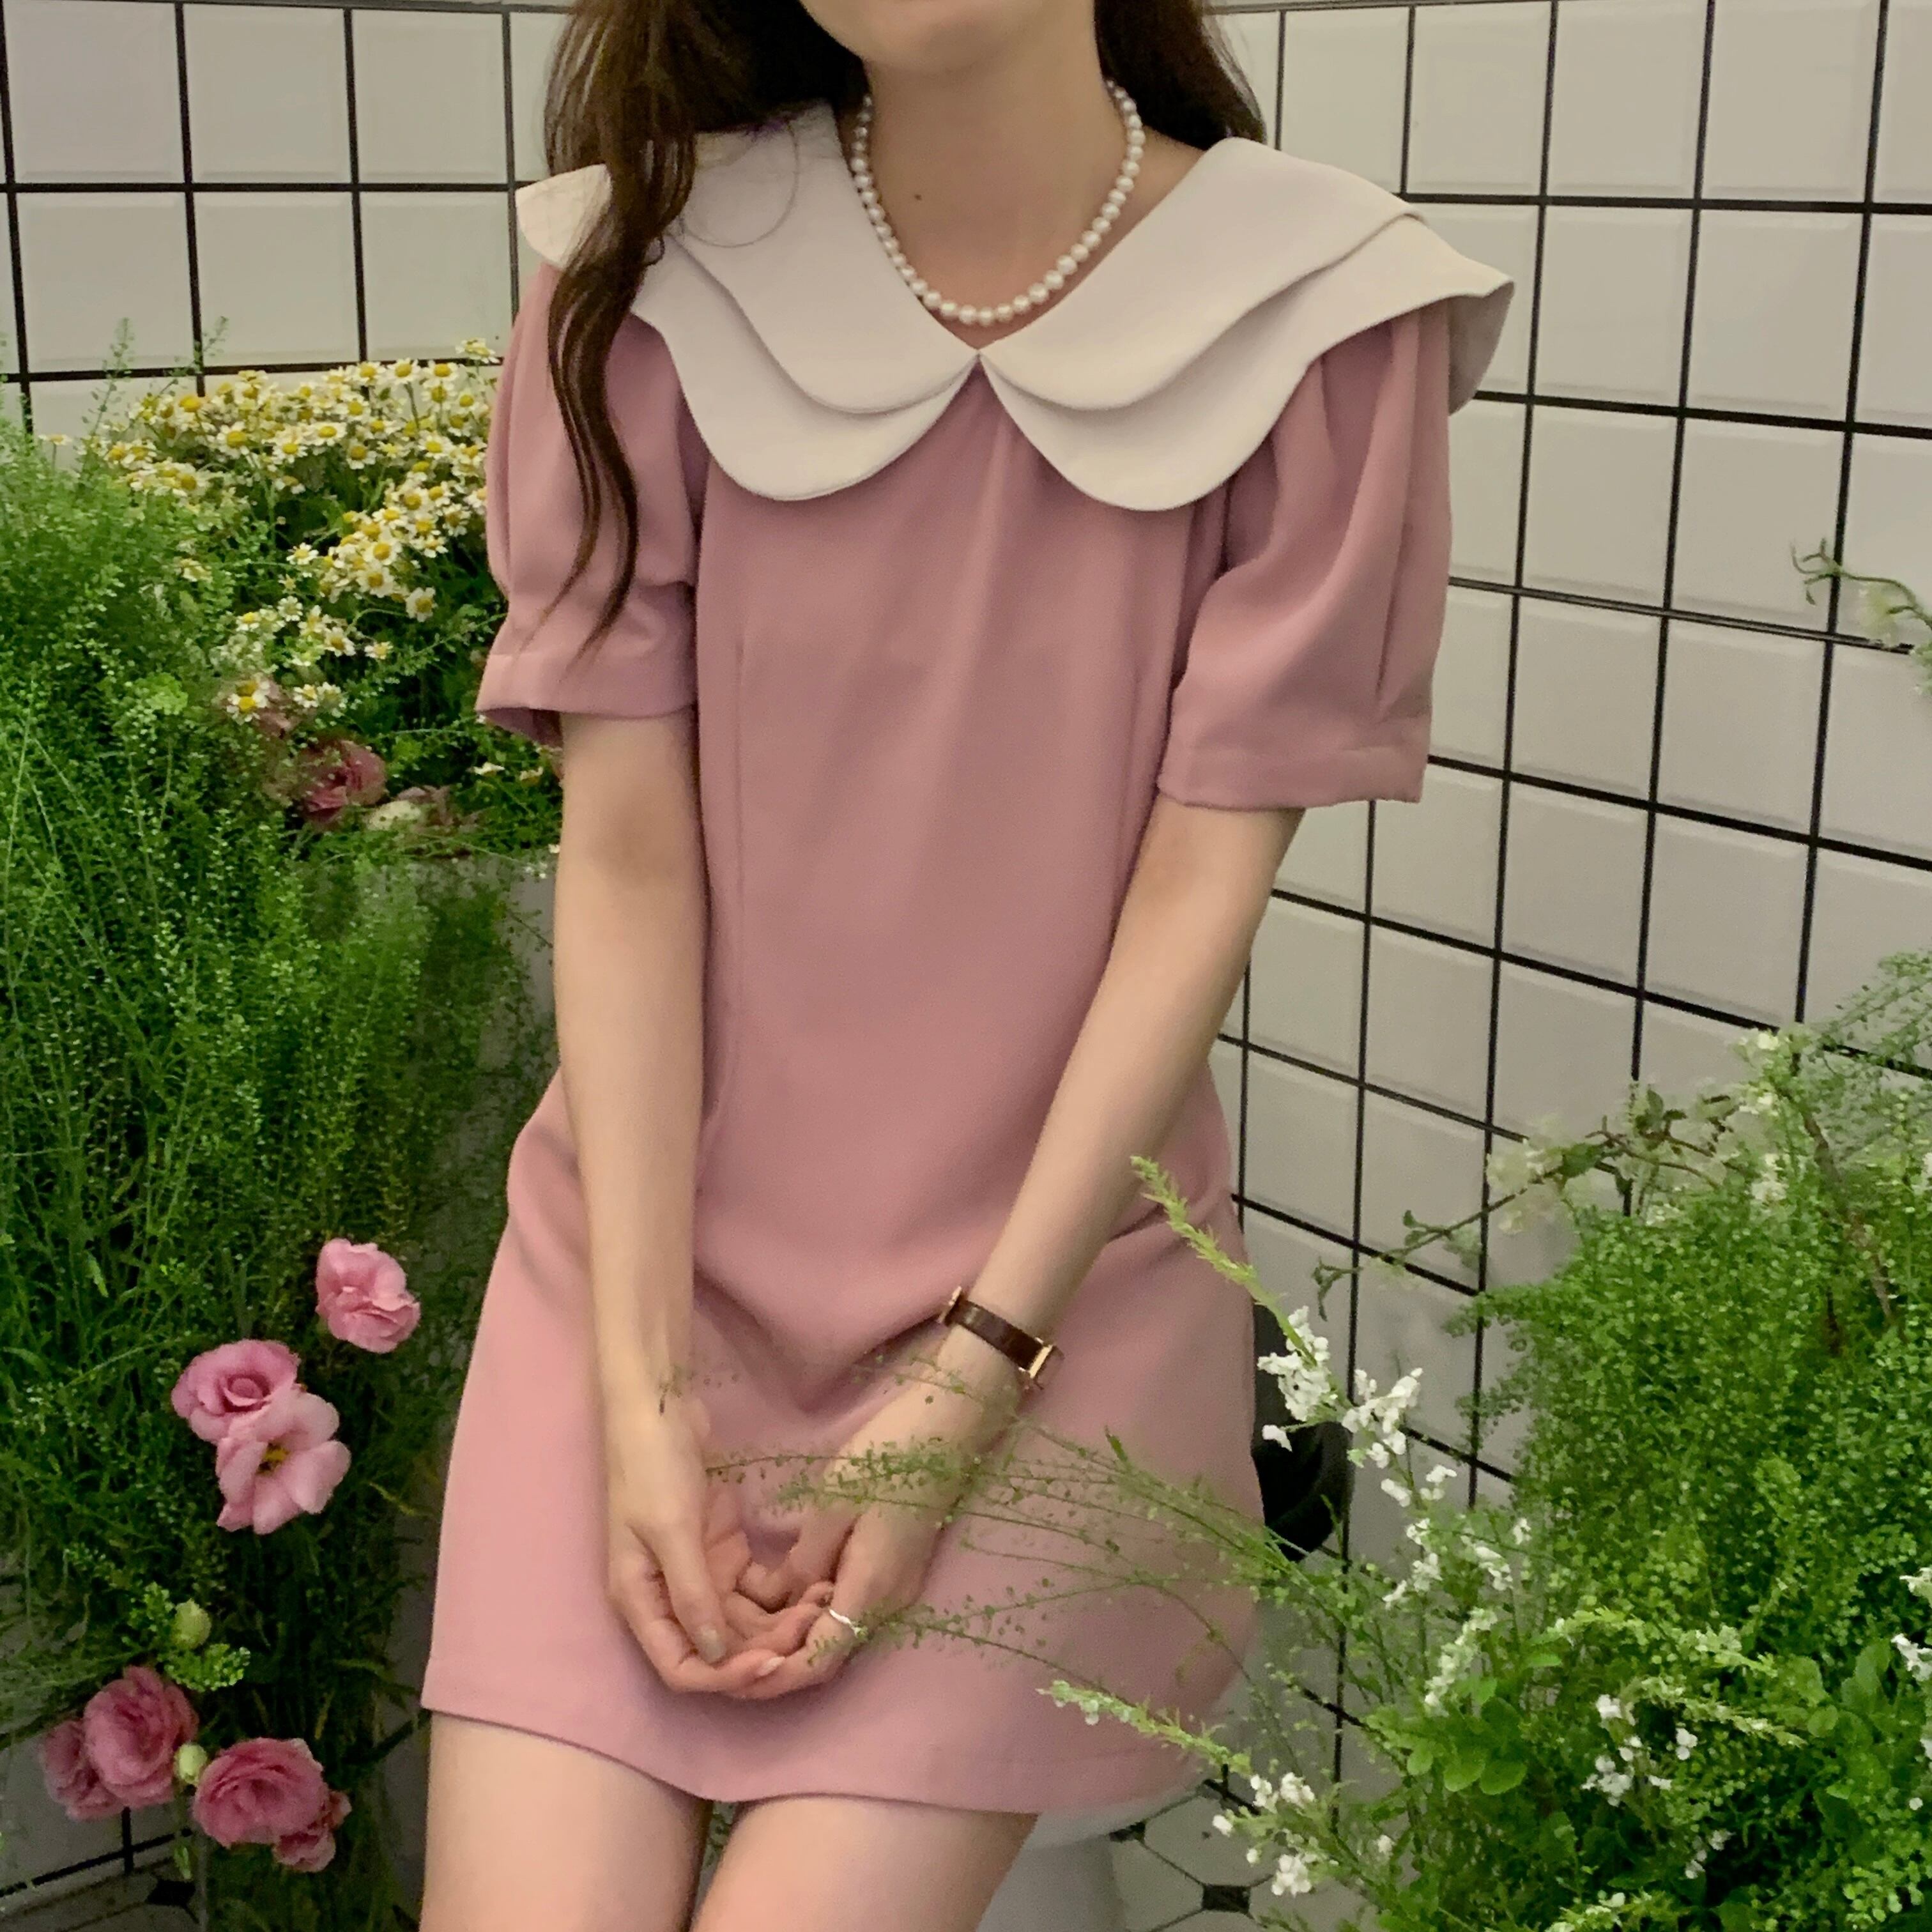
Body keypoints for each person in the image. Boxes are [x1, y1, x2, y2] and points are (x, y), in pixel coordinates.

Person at [415, 0, 1512, 1924]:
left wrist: (972, 1381)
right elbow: (631, 857)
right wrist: (643, 1391)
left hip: (1050, 1319)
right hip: (637, 1285)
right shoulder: (639, 269)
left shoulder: (1322, 309)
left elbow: (1197, 899)